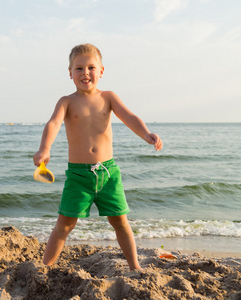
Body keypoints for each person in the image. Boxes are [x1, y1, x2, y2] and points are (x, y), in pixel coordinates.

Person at [33, 43, 163, 270]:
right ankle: (44, 267)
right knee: (64, 224)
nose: (85, 73)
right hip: (78, 175)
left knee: (120, 221)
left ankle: (135, 267)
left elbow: (129, 116)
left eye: (91, 67)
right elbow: (53, 124)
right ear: (70, 73)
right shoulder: (66, 101)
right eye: (79, 68)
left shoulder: (109, 97)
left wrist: (146, 134)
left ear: (101, 71)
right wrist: (45, 148)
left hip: (108, 173)